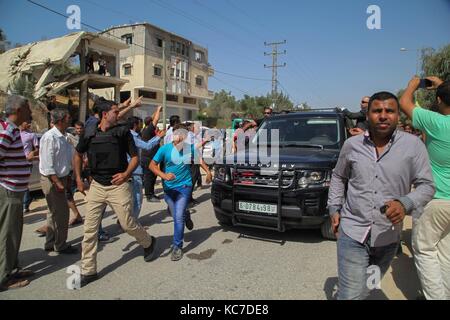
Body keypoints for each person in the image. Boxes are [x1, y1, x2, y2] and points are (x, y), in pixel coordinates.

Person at [327, 91, 435, 300]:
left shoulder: (414, 146)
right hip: (352, 231)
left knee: (369, 286)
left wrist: (405, 203)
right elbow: (338, 177)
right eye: (377, 111)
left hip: (388, 235)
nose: (383, 115)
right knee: (351, 295)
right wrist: (334, 208)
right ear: (368, 115)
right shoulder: (352, 145)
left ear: (398, 116)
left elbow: (427, 185)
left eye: (389, 111)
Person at [73, 99, 157, 287]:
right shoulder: (90, 132)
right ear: (105, 114)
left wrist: (126, 173)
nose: (118, 113)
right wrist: (79, 178)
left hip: (118, 185)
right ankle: (89, 270)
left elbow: (135, 157)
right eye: (115, 111)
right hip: (97, 186)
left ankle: (148, 242)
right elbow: (78, 154)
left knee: (127, 224)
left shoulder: (122, 132)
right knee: (89, 230)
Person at [399, 76, 450, 300]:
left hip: (435, 199)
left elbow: (405, 103)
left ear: (439, 99)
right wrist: (442, 87)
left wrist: (414, 84)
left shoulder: (437, 123)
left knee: (426, 251)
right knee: (446, 254)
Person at [150, 123, 212, 261]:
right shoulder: (165, 149)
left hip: (184, 186)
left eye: (183, 135)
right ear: (174, 135)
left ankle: (177, 246)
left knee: (178, 218)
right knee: (176, 214)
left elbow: (199, 160)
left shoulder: (188, 148)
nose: (181, 137)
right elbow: (152, 165)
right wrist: (164, 175)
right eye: (178, 134)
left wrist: (208, 171)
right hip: (168, 188)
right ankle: (187, 214)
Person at [0, 95, 34, 291]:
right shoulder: (6, 131)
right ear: (19, 110)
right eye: (28, 109)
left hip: (15, 191)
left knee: (13, 233)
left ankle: (11, 268)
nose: (30, 113)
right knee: (7, 235)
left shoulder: (10, 129)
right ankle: (3, 278)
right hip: (9, 190)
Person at [39, 108, 78, 254]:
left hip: (60, 177)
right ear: (61, 120)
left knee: (52, 212)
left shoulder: (64, 136)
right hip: (52, 179)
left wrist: (67, 177)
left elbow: (66, 160)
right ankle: (60, 244)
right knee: (62, 214)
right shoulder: (50, 137)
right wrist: (58, 182)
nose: (70, 119)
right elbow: (48, 165)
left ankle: (50, 242)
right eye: (68, 117)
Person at [127, 116, 165, 219]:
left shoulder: (127, 134)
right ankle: (132, 222)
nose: (141, 126)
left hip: (129, 170)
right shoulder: (133, 136)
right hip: (134, 171)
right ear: (135, 125)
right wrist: (159, 137)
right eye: (139, 124)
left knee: (128, 198)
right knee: (137, 198)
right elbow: (147, 146)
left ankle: (124, 218)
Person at [141, 107, 163, 202]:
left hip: (149, 156)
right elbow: (156, 119)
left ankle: (151, 193)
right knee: (149, 176)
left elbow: (152, 118)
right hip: (148, 157)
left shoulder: (144, 129)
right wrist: (158, 110)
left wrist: (156, 112)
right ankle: (149, 195)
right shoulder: (149, 130)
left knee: (152, 176)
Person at [19, 119, 39, 213]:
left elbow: (37, 149)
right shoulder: (14, 133)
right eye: (27, 122)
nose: (29, 124)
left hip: (27, 162)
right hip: (16, 162)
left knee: (24, 183)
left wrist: (32, 152)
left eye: (29, 123)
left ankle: (25, 205)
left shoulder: (32, 135)